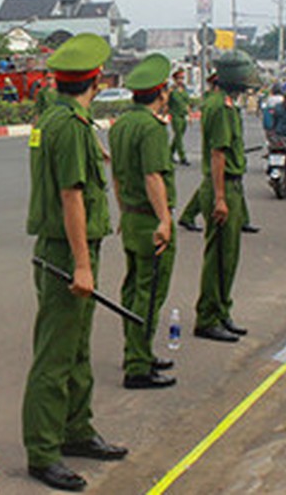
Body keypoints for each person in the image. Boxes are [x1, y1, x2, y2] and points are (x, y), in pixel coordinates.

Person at [23, 33, 127, 492]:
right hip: (68, 250)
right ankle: (43, 453)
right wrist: (82, 266)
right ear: (97, 80)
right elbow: (71, 197)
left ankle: (76, 430)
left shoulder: (63, 119)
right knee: (55, 354)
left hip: (73, 246)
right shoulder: (68, 126)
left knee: (78, 348)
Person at [109, 53, 177, 390]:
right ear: (161, 92)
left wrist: (122, 210)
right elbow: (153, 176)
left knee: (133, 287)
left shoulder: (121, 125)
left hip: (131, 219)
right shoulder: (151, 128)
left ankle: (137, 350)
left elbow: (118, 176)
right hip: (150, 220)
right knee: (149, 294)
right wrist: (164, 220)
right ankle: (137, 365)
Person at [193, 51, 261, 343]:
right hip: (223, 186)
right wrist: (220, 198)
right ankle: (208, 317)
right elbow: (218, 154)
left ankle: (222, 310)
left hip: (231, 186)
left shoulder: (227, 104)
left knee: (228, 256)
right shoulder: (220, 107)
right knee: (219, 256)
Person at [167, 69, 193, 166]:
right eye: (178, 78)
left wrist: (190, 115)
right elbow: (166, 102)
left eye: (182, 78)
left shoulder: (184, 90)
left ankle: (169, 154)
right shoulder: (171, 90)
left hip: (183, 116)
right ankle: (183, 157)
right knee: (178, 136)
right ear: (174, 79)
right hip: (175, 115)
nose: (180, 80)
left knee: (179, 136)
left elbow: (187, 104)